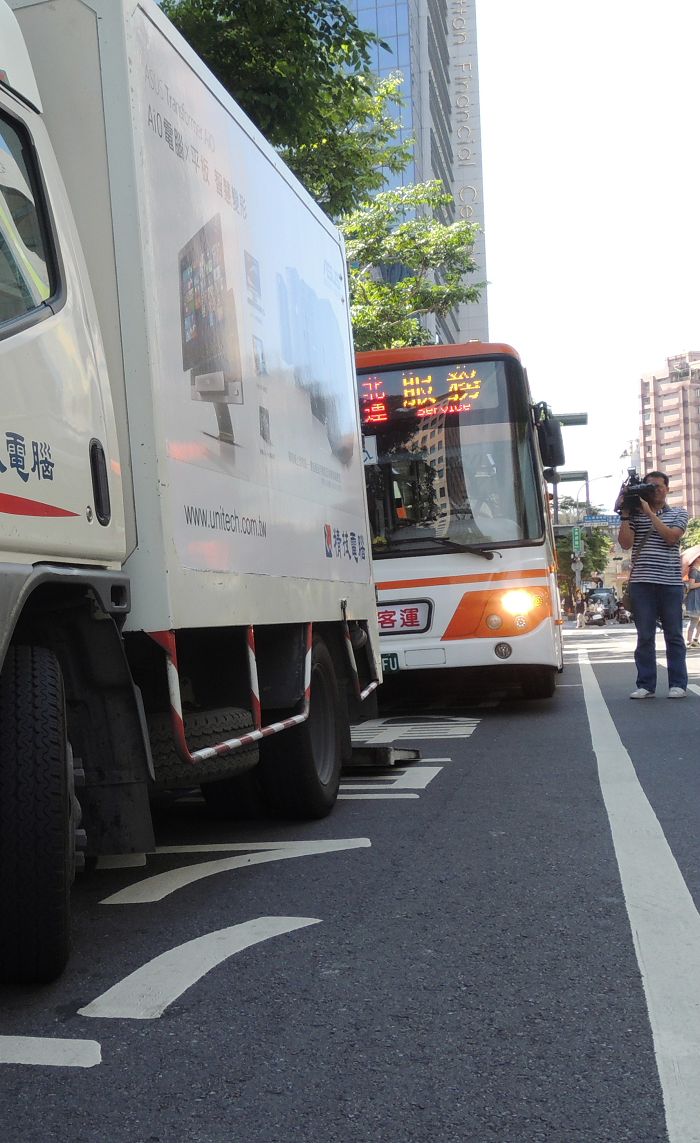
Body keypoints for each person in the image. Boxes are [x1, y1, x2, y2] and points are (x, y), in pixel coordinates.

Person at [616, 470, 688, 698]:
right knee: (645, 635)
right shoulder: (636, 516)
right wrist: (625, 514)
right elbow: (625, 544)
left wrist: (649, 512)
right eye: (650, 486)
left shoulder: (679, 513)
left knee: (674, 635)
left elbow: (671, 538)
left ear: (667, 489)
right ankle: (646, 685)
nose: (655, 490)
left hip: (670, 583)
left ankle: (678, 684)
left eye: (659, 486)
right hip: (642, 583)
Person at [684, 554, 700, 647]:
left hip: (698, 597)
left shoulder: (697, 570)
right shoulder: (693, 570)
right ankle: (689, 641)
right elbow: (691, 585)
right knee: (694, 620)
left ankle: (695, 639)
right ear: (696, 559)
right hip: (694, 598)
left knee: (698, 620)